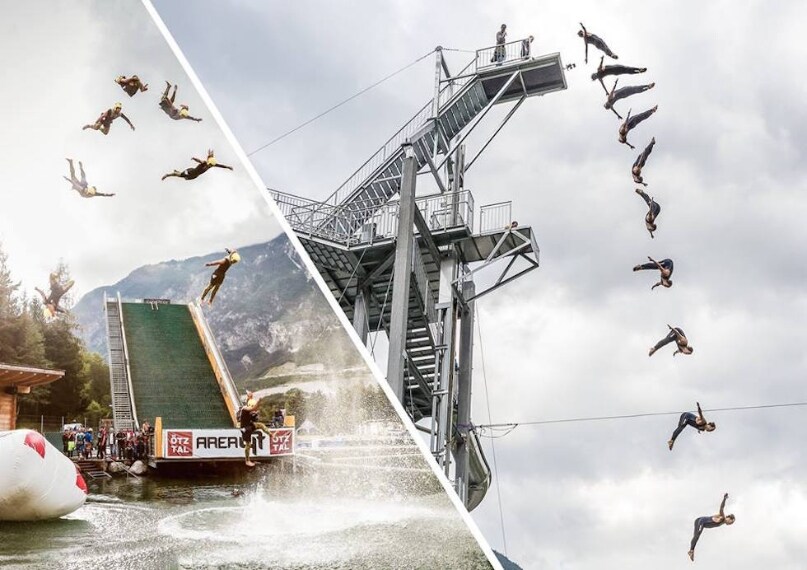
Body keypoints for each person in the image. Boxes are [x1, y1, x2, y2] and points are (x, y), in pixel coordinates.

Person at [689, 494, 735, 561]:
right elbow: (722, 507)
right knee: (697, 535)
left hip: (701, 523)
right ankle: (691, 551)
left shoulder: (722, 522)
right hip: (701, 521)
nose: (730, 524)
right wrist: (724, 499)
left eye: (732, 523)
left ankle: (691, 551)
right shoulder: (722, 517)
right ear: (728, 518)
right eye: (731, 522)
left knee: (696, 536)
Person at [240, 391, 272, 467]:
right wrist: (259, 401)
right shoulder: (244, 409)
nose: (253, 411)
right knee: (248, 444)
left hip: (250, 426)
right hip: (245, 428)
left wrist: (250, 396)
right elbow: (253, 407)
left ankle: (270, 434)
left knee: (260, 425)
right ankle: (247, 460)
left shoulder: (251, 411)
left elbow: (254, 408)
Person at [161, 149, 233, 181]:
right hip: (191, 171)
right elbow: (200, 161)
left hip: (194, 176)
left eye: (211, 165)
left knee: (183, 177)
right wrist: (195, 158)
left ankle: (177, 172)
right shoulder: (205, 163)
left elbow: (220, 165)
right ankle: (167, 175)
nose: (210, 166)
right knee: (180, 175)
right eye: (210, 164)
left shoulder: (212, 164)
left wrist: (228, 167)